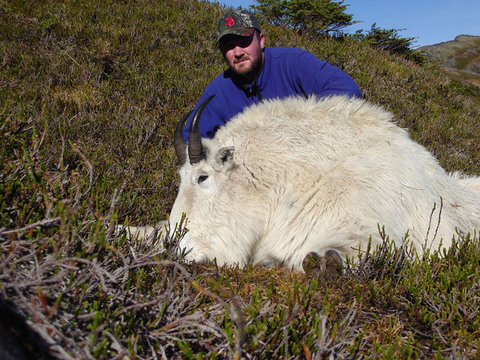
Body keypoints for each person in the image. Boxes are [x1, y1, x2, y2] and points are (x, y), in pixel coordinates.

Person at [182, 9, 362, 141]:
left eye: (244, 41)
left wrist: (296, 127)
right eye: (229, 46)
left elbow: (347, 90)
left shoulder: (293, 62)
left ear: (261, 41)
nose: (237, 52)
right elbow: (189, 139)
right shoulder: (218, 91)